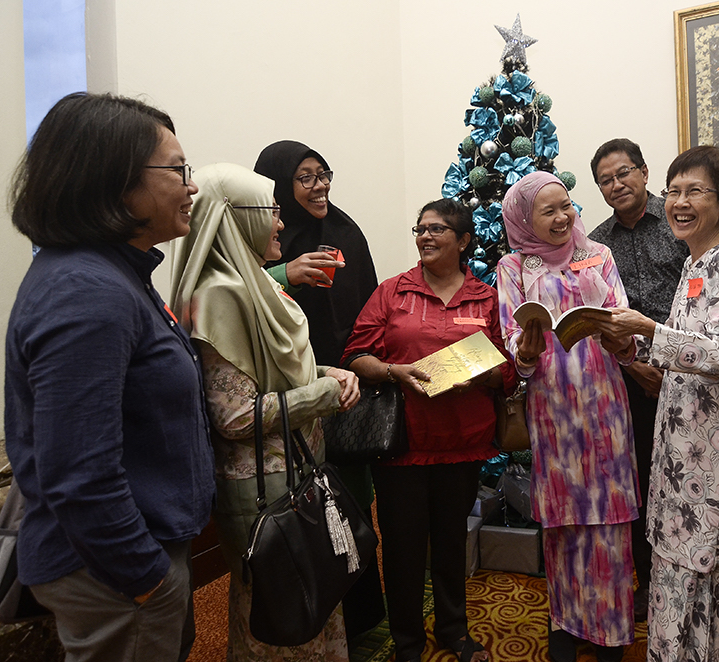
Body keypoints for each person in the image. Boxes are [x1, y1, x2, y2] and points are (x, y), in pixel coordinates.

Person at [4, 92, 215, 662]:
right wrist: (143, 577)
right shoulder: (87, 291)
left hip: (132, 558)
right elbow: (79, 471)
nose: (190, 186)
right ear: (116, 182)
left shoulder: (112, 276)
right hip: (116, 572)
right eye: (177, 170)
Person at [170, 163, 361, 661]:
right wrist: (321, 395)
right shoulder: (220, 295)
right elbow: (235, 416)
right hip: (265, 494)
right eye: (270, 211)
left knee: (313, 600)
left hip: (297, 470)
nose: (280, 223)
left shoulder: (253, 281)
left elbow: (275, 372)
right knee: (281, 616)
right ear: (238, 219)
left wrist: (325, 372)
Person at [587, 146, 719, 661]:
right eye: (675, 192)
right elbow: (686, 340)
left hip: (704, 443)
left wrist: (650, 331)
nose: (679, 203)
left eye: (693, 192)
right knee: (674, 564)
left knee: (700, 569)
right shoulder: (695, 263)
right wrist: (628, 344)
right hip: (676, 437)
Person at [342, 198, 514, 662]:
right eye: (421, 229)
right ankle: (408, 641)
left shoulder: (487, 297)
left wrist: (485, 372)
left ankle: (454, 630)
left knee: (450, 542)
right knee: (402, 548)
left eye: (438, 229)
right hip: (404, 444)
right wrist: (395, 371)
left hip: (463, 443)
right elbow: (355, 356)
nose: (426, 236)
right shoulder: (392, 292)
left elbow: (509, 369)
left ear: (463, 241)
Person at [496, 171, 640, 662]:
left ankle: (612, 629)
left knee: (610, 520)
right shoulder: (513, 267)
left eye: (567, 206)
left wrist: (621, 336)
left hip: (604, 403)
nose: (563, 218)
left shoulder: (599, 255)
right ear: (524, 219)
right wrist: (527, 351)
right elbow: (512, 340)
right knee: (564, 521)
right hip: (553, 409)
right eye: (549, 210)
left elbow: (622, 320)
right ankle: (568, 624)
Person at [253, 140, 384, 641]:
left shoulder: (346, 230)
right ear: (279, 185)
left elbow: (372, 303)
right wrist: (287, 273)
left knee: (349, 501)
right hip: (286, 401)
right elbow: (236, 289)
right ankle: (303, 616)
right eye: (305, 177)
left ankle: (362, 615)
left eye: (324, 173)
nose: (320, 185)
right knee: (300, 515)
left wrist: (365, 364)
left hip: (348, 390)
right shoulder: (264, 242)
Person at [588, 139, 689, 619]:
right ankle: (645, 580)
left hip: (687, 370)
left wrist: (668, 359)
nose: (616, 185)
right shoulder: (596, 242)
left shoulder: (677, 219)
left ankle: (685, 577)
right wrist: (634, 365)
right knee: (636, 477)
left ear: (644, 172)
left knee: (682, 479)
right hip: (626, 377)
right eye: (605, 180)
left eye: (624, 173)